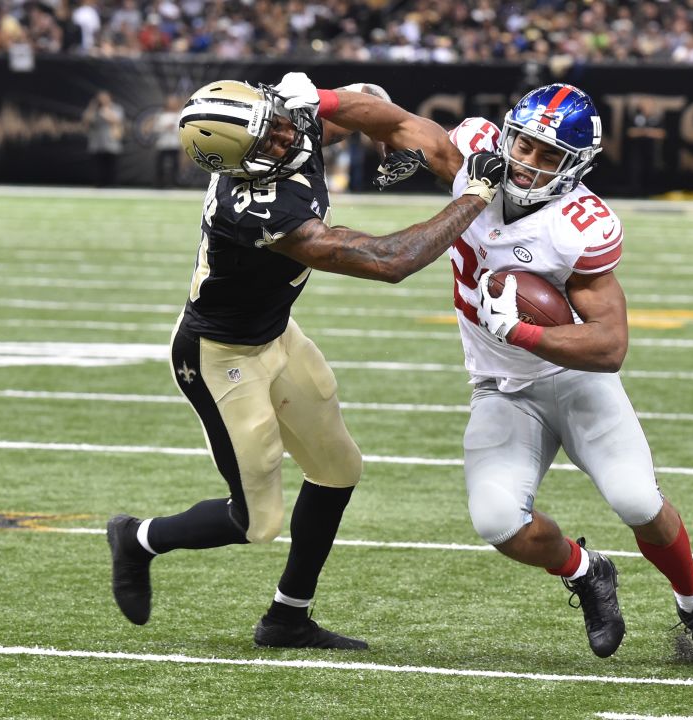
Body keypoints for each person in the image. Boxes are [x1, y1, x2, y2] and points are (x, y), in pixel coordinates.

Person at [275, 74, 693, 669]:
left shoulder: (579, 223)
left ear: (574, 165)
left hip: (575, 383)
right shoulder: (474, 159)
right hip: (500, 389)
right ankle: (587, 572)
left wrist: (525, 331)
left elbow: (610, 346)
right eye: (523, 144)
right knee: (498, 521)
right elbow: (393, 120)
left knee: (637, 500)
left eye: (548, 154)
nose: (528, 162)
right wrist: (314, 101)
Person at [106, 78, 506, 650]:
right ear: (240, 165)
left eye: (278, 122)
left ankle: (288, 617)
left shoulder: (285, 114)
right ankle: (138, 538)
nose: (287, 135)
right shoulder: (252, 207)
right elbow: (388, 261)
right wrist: (474, 195)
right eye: (268, 140)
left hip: (277, 334)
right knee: (257, 521)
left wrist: (388, 135)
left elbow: (368, 100)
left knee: (339, 469)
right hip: (221, 356)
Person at [83, 90, 124, 187]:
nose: (102, 100)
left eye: (104, 97)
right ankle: (98, 186)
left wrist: (105, 109)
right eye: (100, 98)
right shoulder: (94, 109)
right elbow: (86, 120)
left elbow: (116, 120)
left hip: (111, 143)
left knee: (111, 168)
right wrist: (92, 107)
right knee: (97, 168)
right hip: (96, 143)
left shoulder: (116, 108)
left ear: (109, 98)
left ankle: (112, 186)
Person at [152, 95, 182, 188]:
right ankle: (159, 184)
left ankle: (174, 183)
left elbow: (183, 130)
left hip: (174, 144)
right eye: (170, 102)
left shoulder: (180, 115)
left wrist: (174, 128)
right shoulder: (161, 115)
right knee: (160, 164)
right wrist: (165, 127)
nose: (172, 104)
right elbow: (155, 128)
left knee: (175, 165)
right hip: (162, 144)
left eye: (174, 102)